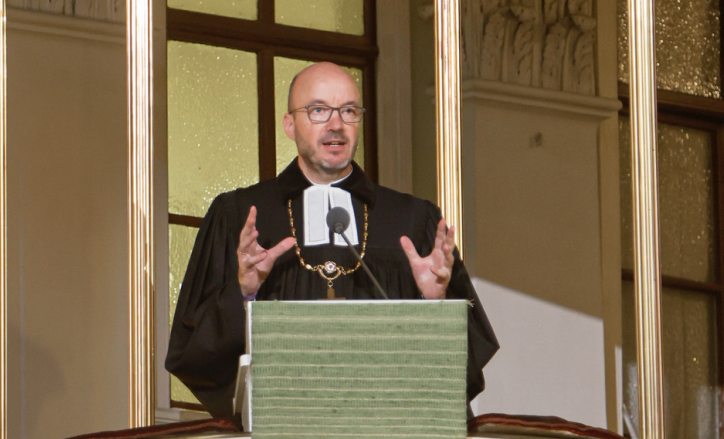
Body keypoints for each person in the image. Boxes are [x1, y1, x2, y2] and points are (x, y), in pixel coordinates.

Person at [166, 62, 498, 420]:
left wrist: (433, 305)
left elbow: (465, 362)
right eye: (318, 110)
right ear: (290, 125)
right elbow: (195, 352)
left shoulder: (412, 219)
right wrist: (245, 293)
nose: (336, 124)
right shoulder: (241, 216)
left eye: (349, 111)